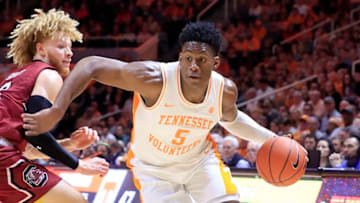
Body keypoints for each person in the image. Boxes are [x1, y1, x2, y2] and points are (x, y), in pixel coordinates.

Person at [22, 22, 305, 203]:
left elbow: (233, 120)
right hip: (153, 170)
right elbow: (92, 65)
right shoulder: (153, 78)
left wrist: (272, 139)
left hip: (198, 163)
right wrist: (57, 109)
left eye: (202, 60)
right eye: (188, 59)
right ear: (180, 58)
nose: (194, 66)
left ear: (215, 63)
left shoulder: (225, 90)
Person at [0, 9, 109, 203]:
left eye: (70, 47)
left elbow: (28, 149)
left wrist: (71, 144)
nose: (69, 53)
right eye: (60, 46)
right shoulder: (48, 74)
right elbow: (35, 134)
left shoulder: (15, 77)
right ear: (41, 50)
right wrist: (79, 165)